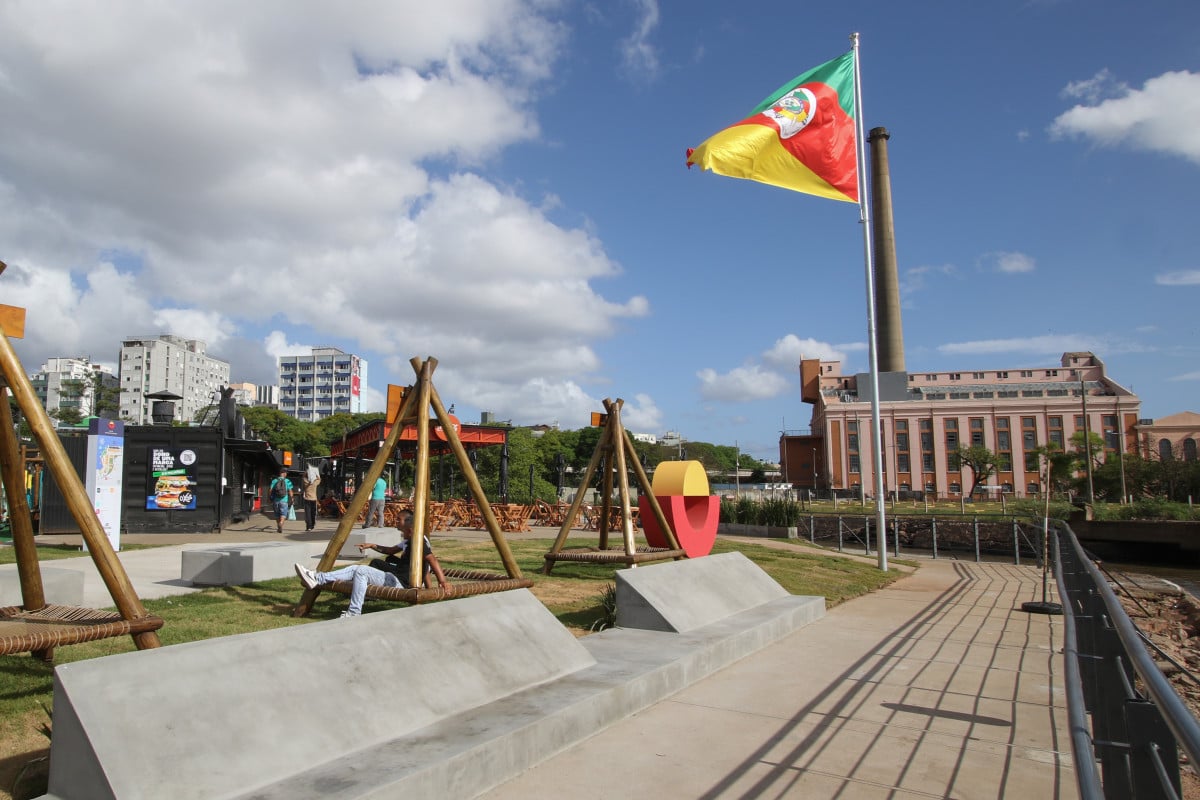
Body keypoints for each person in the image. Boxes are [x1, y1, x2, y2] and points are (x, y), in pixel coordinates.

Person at [293, 511, 451, 617]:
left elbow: (431, 560)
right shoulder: (408, 540)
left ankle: (352, 610)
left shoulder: (418, 542)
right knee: (358, 569)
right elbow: (390, 551)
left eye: (399, 519)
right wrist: (372, 545)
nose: (396, 521)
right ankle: (318, 578)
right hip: (394, 577)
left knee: (361, 571)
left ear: (408, 525)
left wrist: (442, 582)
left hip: (400, 583)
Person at [268, 468, 293, 534]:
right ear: (284, 473)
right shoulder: (287, 481)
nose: (286, 474)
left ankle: (278, 527)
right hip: (284, 501)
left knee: (277, 515)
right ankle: (281, 523)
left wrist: (269, 498)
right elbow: (290, 491)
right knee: (283, 514)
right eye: (286, 473)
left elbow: (270, 490)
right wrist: (292, 499)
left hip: (275, 501)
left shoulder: (274, 481)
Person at [301, 465, 321, 532]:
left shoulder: (305, 482)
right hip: (314, 499)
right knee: (313, 513)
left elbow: (303, 477)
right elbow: (319, 479)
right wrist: (315, 473)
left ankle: (308, 526)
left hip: (307, 499)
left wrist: (306, 472)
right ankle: (312, 524)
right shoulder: (315, 483)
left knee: (308, 513)